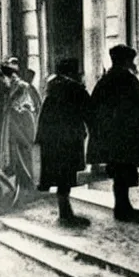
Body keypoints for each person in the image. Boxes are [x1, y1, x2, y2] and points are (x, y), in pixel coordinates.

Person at [87, 45, 139, 222]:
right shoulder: (128, 79)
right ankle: (122, 209)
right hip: (127, 136)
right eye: (130, 60)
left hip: (110, 137)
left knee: (119, 172)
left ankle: (123, 207)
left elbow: (92, 108)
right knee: (124, 171)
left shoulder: (104, 81)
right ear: (125, 61)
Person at [35, 58, 91, 226]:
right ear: (72, 72)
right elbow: (89, 110)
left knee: (60, 175)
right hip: (68, 140)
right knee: (66, 175)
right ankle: (66, 215)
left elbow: (44, 116)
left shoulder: (51, 88)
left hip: (51, 141)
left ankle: (64, 211)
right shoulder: (75, 88)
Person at [0, 61, 37, 192]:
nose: (3, 82)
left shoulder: (20, 87)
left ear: (8, 77)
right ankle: (23, 183)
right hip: (18, 121)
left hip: (23, 122)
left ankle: (27, 184)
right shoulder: (14, 86)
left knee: (23, 151)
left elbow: (25, 106)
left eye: (3, 79)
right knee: (18, 153)